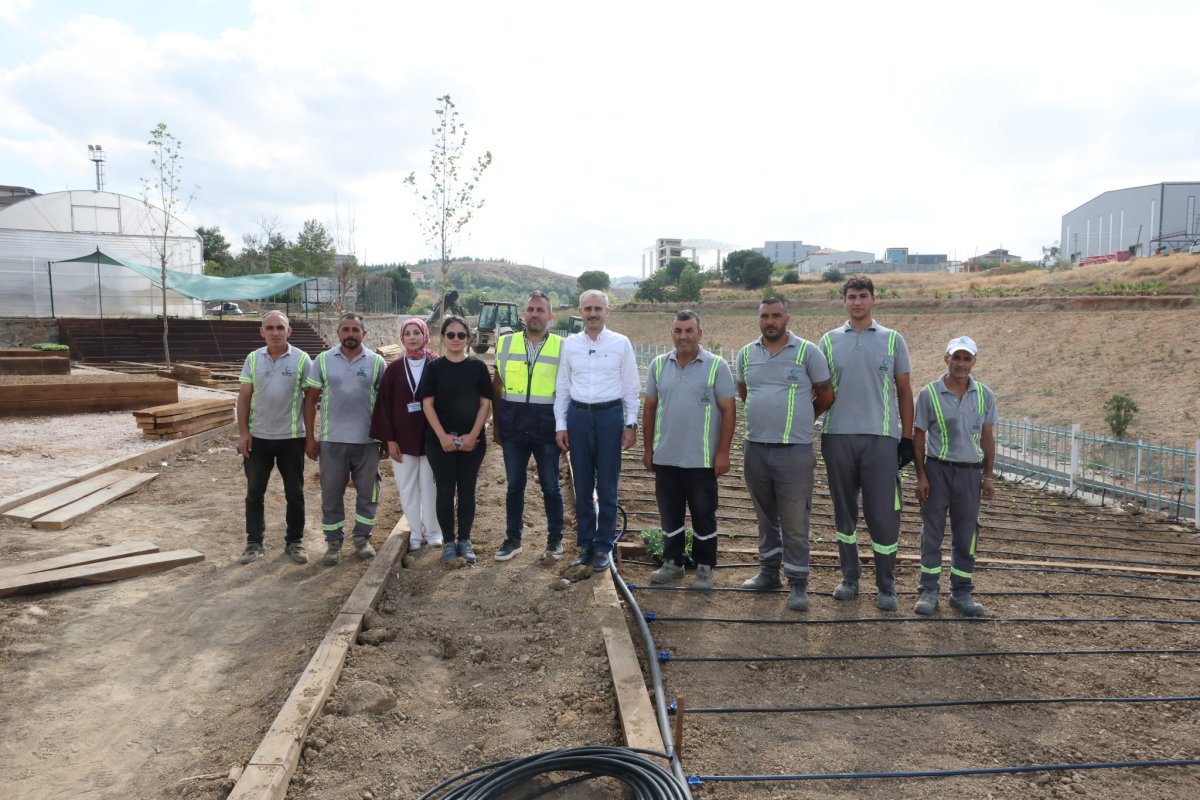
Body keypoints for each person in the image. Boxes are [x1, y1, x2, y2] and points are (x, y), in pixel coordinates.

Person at [819, 274, 914, 611]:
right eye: (851, 296)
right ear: (843, 301)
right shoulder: (829, 341)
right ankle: (850, 577)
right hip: (838, 437)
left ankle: (886, 585)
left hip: (881, 440)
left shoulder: (893, 340)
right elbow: (820, 389)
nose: (857, 302)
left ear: (874, 299)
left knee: (883, 514)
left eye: (862, 296)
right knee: (844, 514)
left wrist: (907, 438)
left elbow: (903, 390)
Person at [735, 298, 834, 610]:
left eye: (776, 315)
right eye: (764, 316)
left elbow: (827, 395)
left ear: (787, 318)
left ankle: (798, 582)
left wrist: (804, 418)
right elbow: (745, 393)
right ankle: (768, 573)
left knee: (794, 519)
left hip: (794, 450)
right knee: (765, 517)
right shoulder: (747, 354)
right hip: (756, 447)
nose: (770, 321)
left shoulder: (808, 352)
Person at [644, 310, 736, 591]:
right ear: (672, 333)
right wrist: (649, 450)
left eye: (689, 331)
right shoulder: (658, 365)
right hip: (667, 456)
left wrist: (723, 452)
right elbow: (649, 408)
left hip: (702, 459)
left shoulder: (716, 366)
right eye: (678, 331)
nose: (683, 336)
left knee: (703, 514)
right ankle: (673, 562)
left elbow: (728, 410)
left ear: (699, 333)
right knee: (669, 514)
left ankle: (705, 567)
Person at [554, 290, 640, 573]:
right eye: (588, 308)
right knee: (582, 484)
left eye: (597, 308)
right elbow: (563, 387)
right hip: (578, 416)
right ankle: (586, 543)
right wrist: (561, 425)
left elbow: (630, 386)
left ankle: (603, 546)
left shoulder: (620, 343)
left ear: (607, 311)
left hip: (609, 417)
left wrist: (630, 423)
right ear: (580, 312)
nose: (592, 313)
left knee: (607, 485)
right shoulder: (570, 345)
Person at [912, 336, 998, 617]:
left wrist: (988, 476)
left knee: (966, 535)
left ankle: (961, 592)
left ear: (974, 361)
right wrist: (921, 476)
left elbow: (987, 438)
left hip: (969, 475)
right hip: (937, 471)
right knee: (932, 533)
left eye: (966, 358)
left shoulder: (985, 395)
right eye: (956, 357)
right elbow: (918, 437)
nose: (960, 363)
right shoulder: (929, 393)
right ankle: (928, 590)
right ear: (946, 359)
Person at [304, 313, 386, 566]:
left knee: (368, 493)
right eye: (345, 330)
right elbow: (310, 399)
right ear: (337, 332)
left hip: (368, 442)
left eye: (355, 330)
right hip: (332, 441)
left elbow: (385, 404)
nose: (350, 334)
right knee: (331, 494)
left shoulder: (377, 362)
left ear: (364, 333)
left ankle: (362, 539)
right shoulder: (324, 361)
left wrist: (385, 438)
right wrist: (310, 437)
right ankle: (333, 543)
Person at [492, 291, 565, 562]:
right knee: (514, 486)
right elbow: (497, 385)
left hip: (546, 427)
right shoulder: (506, 343)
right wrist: (497, 425)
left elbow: (566, 390)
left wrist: (564, 427)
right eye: (531, 309)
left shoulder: (562, 346)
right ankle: (513, 539)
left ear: (550, 316)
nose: (535, 314)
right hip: (513, 426)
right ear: (524, 313)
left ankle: (555, 539)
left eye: (540, 310)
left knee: (551, 486)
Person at [236, 311, 313, 565]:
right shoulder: (253, 359)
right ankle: (254, 542)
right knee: (254, 492)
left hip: (291, 438)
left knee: (295, 493)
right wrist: (244, 433)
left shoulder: (302, 360)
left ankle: (295, 542)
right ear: (262, 332)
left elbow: (310, 400)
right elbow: (244, 397)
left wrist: (310, 437)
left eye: (280, 327)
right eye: (269, 328)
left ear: (289, 331)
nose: (275, 332)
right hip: (258, 439)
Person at [421, 316, 493, 564]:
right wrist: (442, 436)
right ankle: (448, 542)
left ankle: (464, 539)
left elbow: (486, 403)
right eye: (450, 334)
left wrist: (473, 435)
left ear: (468, 338)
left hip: (472, 442)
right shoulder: (433, 368)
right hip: (440, 442)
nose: (455, 339)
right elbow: (427, 404)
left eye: (461, 335)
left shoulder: (478, 368)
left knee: (467, 491)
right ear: (443, 337)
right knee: (444, 490)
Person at [370, 317, 443, 552]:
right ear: (401, 338)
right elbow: (383, 406)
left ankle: (433, 531)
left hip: (432, 440)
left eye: (416, 332)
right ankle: (414, 531)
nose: (412, 337)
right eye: (407, 333)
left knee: (431, 487)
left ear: (425, 335)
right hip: (402, 440)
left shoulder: (437, 364)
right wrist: (389, 440)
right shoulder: (393, 369)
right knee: (407, 488)